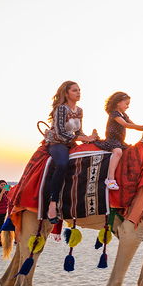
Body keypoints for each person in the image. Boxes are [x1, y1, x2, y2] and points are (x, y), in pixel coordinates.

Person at [44, 81, 97, 223]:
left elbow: (78, 131)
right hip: (58, 142)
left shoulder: (79, 110)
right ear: (66, 93)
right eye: (74, 90)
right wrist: (84, 138)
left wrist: (90, 139)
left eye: (79, 90)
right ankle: (52, 203)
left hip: (72, 143)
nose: (78, 92)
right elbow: (61, 133)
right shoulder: (61, 109)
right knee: (61, 164)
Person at [95, 91, 143, 190]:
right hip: (112, 139)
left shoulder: (124, 115)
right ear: (118, 102)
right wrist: (141, 127)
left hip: (120, 140)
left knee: (132, 150)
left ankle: (142, 163)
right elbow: (125, 125)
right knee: (118, 152)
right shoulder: (114, 114)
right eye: (126, 104)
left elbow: (133, 125)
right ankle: (110, 179)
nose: (127, 106)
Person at [0, 180, 11, 246]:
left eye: (4, 185)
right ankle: (0, 242)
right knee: (0, 227)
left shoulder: (8, 192)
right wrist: (2, 192)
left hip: (7, 212)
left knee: (8, 228)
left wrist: (11, 190)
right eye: (2, 185)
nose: (3, 186)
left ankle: (7, 241)